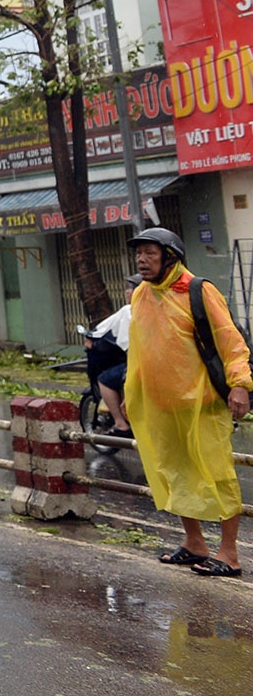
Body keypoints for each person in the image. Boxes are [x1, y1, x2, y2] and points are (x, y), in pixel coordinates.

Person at [123, 227, 252, 577]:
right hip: (163, 406)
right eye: (139, 253)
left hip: (204, 404)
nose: (141, 259)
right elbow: (140, 350)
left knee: (217, 474)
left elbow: (231, 341)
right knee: (176, 472)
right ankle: (195, 542)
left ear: (171, 256)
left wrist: (240, 385)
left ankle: (229, 554)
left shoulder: (199, 291)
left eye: (150, 253)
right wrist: (130, 391)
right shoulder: (141, 295)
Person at [85, 281, 139, 436]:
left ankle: (120, 423)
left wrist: (92, 340)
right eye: (127, 288)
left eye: (131, 288)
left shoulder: (129, 310)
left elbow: (108, 333)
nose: (127, 292)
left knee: (105, 379)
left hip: (137, 365)